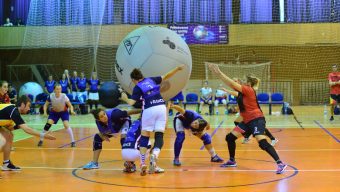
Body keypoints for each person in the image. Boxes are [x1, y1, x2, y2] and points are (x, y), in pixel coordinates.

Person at [208, 63, 287, 174]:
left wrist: (219, 73)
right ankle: (232, 160)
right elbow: (233, 88)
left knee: (262, 142)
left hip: (256, 119)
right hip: (246, 122)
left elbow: (231, 83)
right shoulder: (242, 93)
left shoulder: (249, 90)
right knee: (230, 137)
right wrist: (224, 84)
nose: (242, 83)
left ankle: (280, 163)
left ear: (249, 84)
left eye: (245, 82)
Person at [120, 65, 184, 176]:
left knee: (145, 136)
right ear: (142, 76)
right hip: (161, 108)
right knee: (159, 136)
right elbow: (167, 76)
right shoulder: (151, 79)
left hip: (149, 110)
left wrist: (123, 97)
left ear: (134, 80)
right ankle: (155, 155)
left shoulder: (137, 87)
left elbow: (131, 103)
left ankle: (142, 163)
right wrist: (177, 69)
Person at [0, 95, 55, 171]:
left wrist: (18, 126)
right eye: (28, 106)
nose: (29, 109)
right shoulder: (13, 111)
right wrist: (42, 135)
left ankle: (6, 164)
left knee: (9, 135)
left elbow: (10, 128)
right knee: (2, 141)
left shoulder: (13, 112)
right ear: (22, 104)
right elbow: (27, 129)